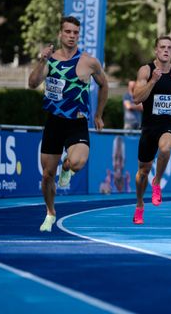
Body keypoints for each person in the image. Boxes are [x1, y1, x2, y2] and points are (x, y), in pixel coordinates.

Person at [28, 15, 109, 232]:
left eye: (75, 33)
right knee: (47, 175)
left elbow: (104, 85)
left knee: (77, 163)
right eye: (68, 32)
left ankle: (67, 167)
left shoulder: (89, 62)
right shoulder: (50, 60)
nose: (72, 36)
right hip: (54, 123)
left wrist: (99, 114)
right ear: (60, 34)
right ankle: (50, 212)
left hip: (77, 123)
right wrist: (42, 60)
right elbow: (32, 84)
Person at [132, 35, 171, 224]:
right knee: (142, 172)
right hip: (149, 126)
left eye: (169, 48)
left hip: (168, 124)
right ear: (156, 50)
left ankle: (157, 182)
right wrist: (152, 81)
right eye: (162, 47)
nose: (166, 50)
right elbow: (136, 98)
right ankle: (140, 204)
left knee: (165, 148)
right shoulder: (146, 70)